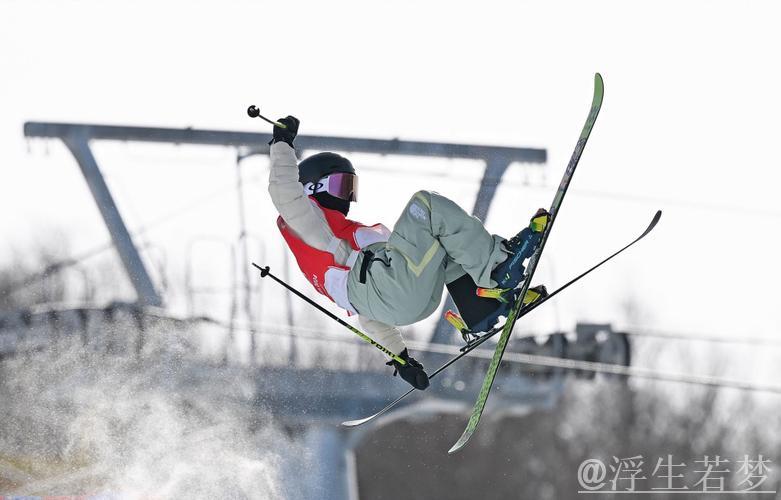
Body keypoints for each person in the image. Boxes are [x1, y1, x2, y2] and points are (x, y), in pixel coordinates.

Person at [267, 116, 549, 391]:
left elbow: (369, 310)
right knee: (424, 206)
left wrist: (401, 358)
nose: (347, 198)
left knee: (441, 244)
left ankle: (483, 306)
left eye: (350, 188)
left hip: (401, 300)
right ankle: (498, 270)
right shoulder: (308, 221)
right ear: (313, 188)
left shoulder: (342, 253)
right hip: (393, 288)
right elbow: (285, 192)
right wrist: (282, 143)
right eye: (341, 186)